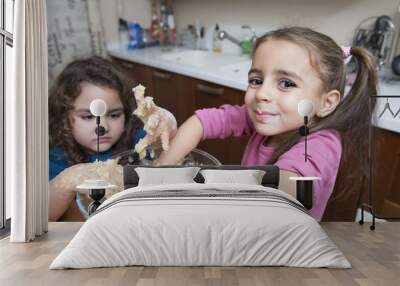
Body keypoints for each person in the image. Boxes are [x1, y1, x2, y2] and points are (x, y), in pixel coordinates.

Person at [157, 27, 378, 221]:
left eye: (286, 83)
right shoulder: (267, 118)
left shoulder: (322, 144)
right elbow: (201, 122)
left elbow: (289, 187)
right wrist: (158, 173)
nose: (262, 93)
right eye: (256, 80)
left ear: (326, 102)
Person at [48, 56, 145, 221]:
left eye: (114, 115)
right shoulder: (56, 160)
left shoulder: (138, 142)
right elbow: (46, 217)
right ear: (64, 117)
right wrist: (68, 180)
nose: (103, 127)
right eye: (87, 117)